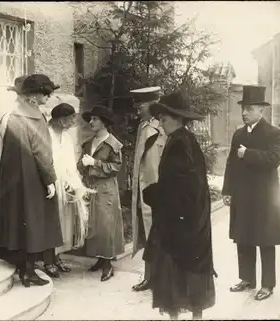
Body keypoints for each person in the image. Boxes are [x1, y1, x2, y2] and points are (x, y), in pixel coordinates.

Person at [143, 92, 217, 320]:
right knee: (190, 275)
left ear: (176, 119)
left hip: (180, 224)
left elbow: (179, 188)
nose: (161, 124)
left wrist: (152, 193)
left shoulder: (179, 144)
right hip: (191, 221)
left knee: (178, 277)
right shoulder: (185, 140)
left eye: (164, 119)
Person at [0, 74, 63, 287]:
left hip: (13, 178)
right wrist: (50, 178)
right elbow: (41, 151)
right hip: (33, 177)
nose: (48, 98)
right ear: (34, 95)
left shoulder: (12, 115)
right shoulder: (35, 116)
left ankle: (24, 269)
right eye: (45, 93)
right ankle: (29, 271)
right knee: (34, 223)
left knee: (19, 222)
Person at [222, 85, 280, 301]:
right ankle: (247, 278)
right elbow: (230, 164)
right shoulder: (238, 133)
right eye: (243, 108)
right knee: (243, 237)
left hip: (264, 197)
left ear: (261, 110)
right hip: (242, 194)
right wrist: (227, 190)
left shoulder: (274, 133)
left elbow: (274, 160)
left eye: (249, 109)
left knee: (265, 240)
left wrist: (248, 154)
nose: (244, 112)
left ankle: (268, 284)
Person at [78, 105, 124, 282]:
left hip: (106, 189)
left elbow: (115, 167)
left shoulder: (113, 144)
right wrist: (82, 165)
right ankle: (100, 259)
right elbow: (81, 165)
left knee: (106, 224)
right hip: (91, 187)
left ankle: (107, 265)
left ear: (104, 122)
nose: (91, 122)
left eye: (95, 119)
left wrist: (95, 163)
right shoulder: (89, 143)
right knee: (94, 224)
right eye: (91, 119)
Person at [47, 103, 95, 275]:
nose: (73, 123)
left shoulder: (66, 138)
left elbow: (69, 163)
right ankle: (47, 260)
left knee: (63, 222)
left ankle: (57, 257)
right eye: (70, 119)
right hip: (50, 183)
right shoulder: (46, 134)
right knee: (50, 221)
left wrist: (74, 183)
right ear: (60, 120)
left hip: (65, 183)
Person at [129, 86, 167, 292]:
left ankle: (162, 278)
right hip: (144, 192)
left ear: (153, 105)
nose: (137, 110)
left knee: (160, 234)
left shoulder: (161, 128)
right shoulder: (144, 127)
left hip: (159, 194)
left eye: (140, 105)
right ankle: (150, 276)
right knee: (149, 234)